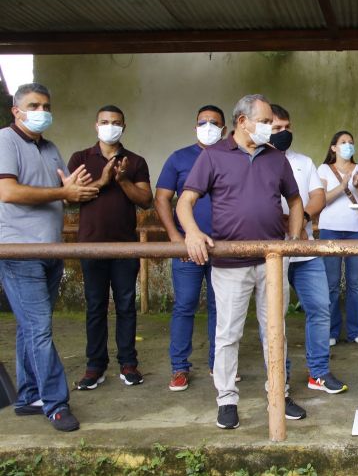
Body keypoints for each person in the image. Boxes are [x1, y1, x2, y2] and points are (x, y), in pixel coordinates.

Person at [177, 94, 305, 429]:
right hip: (229, 264)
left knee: (275, 332)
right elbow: (184, 201)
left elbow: (294, 200)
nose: (269, 127)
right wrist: (191, 233)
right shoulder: (214, 156)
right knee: (228, 334)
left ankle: (279, 392)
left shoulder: (276, 158)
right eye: (263, 121)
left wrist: (292, 239)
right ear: (242, 122)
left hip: (272, 261)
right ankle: (227, 399)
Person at [0, 83, 97, 432]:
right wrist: (63, 190)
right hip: (19, 251)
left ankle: (28, 396)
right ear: (16, 110)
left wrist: (75, 192)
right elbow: (8, 192)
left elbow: (62, 195)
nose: (42, 111)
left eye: (46, 105)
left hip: (50, 250)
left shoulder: (51, 147)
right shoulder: (5, 141)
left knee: (30, 328)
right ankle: (56, 404)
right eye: (34, 105)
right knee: (39, 330)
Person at [68, 105, 153, 390]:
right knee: (95, 306)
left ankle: (128, 363)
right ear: (96, 125)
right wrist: (104, 181)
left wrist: (123, 179)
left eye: (116, 122)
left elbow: (145, 200)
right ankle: (95, 366)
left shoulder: (135, 161)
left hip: (125, 247)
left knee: (126, 306)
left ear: (123, 127)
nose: (110, 126)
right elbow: (71, 198)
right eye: (105, 122)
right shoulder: (80, 159)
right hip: (90, 246)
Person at [270, 104, 348, 396]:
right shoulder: (257, 162)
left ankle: (318, 372)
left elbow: (317, 196)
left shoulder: (303, 161)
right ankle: (281, 376)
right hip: (274, 250)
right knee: (275, 316)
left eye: (287, 127)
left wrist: (300, 219)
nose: (284, 133)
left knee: (320, 309)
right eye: (277, 128)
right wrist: (287, 224)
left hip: (307, 248)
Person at [155, 105, 226, 392]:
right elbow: (162, 199)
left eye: (214, 122)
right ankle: (179, 368)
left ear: (224, 128)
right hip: (187, 248)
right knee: (184, 305)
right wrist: (175, 236)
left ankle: (217, 364)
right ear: (194, 125)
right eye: (202, 122)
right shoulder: (179, 158)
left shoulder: (230, 156)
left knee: (219, 308)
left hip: (224, 247)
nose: (208, 126)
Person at [317, 130, 358, 346]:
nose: (348, 145)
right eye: (343, 142)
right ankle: (331, 331)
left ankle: (355, 330)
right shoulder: (323, 169)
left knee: (355, 283)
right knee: (331, 284)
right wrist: (343, 185)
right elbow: (322, 200)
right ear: (333, 148)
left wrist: (356, 185)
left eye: (351, 142)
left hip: (357, 229)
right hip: (330, 229)